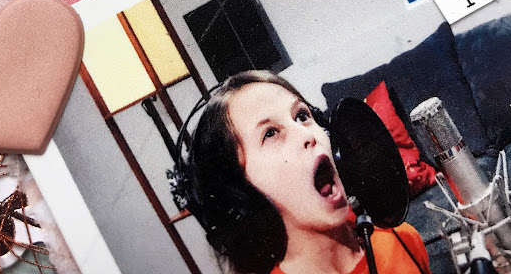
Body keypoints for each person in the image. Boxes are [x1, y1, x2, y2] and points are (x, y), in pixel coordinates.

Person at [182, 70, 431, 274]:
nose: (306, 134)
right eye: (270, 133)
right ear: (240, 194)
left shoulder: (403, 240)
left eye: (301, 116)